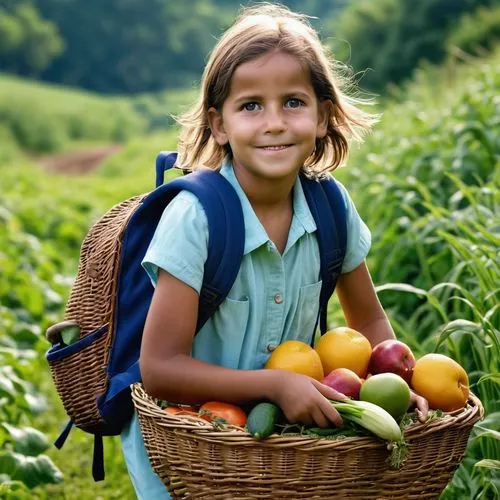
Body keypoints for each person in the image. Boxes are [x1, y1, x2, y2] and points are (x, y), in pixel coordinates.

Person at [121, 3, 428, 498]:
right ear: (219, 126)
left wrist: (393, 381)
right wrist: (272, 385)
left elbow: (369, 322)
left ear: (323, 116)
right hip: (192, 443)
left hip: (283, 445)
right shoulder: (196, 219)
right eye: (250, 106)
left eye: (293, 102)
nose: (275, 122)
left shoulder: (331, 206)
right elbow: (160, 369)